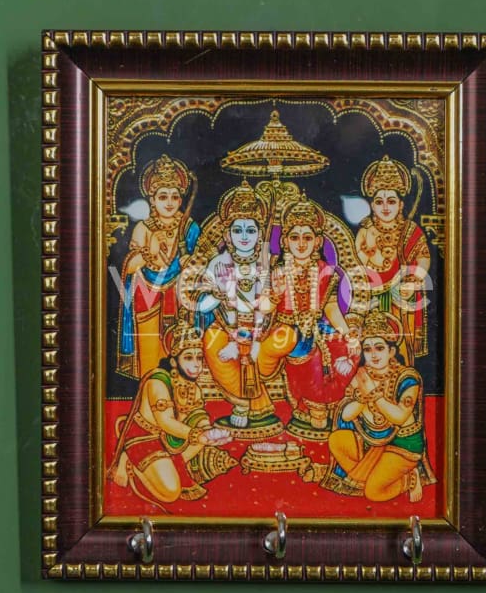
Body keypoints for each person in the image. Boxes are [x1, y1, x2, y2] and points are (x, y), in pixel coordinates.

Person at [258, 195, 359, 438]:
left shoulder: (325, 271)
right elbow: (263, 308)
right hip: (285, 330)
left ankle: (324, 405)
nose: (301, 244)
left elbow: (331, 308)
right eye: (295, 237)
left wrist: (347, 333)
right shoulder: (278, 270)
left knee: (346, 347)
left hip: (315, 328)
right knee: (302, 348)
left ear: (318, 241)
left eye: (307, 237)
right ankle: (312, 405)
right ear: (285, 241)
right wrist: (275, 296)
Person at [189, 181, 280, 435]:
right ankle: (242, 403)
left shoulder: (266, 263)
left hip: (261, 327)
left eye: (251, 230)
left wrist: (255, 339)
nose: (244, 237)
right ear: (227, 235)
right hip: (226, 326)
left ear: (259, 235)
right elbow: (202, 303)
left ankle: (249, 404)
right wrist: (218, 296)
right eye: (237, 230)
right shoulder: (218, 263)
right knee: (211, 342)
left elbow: (268, 307)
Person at [108, 320, 234, 504]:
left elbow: (198, 416)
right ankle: (129, 460)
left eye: (199, 358)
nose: (196, 364)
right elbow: (165, 422)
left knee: (202, 434)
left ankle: (169, 465)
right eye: (188, 358)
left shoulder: (193, 388)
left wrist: (209, 433)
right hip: (145, 438)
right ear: (174, 361)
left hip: (170, 440)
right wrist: (198, 435)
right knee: (171, 493)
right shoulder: (158, 382)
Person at [328, 311, 435, 502]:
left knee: (373, 492)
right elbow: (346, 415)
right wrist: (363, 398)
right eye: (367, 349)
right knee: (336, 440)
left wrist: (374, 394)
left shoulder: (407, 377)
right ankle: (371, 473)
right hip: (370, 441)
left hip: (402, 443)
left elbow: (399, 417)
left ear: (391, 351)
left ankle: (410, 478)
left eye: (379, 348)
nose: (374, 355)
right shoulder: (361, 375)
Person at [117, 154, 199, 380]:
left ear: (181, 200)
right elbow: (129, 267)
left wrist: (190, 264)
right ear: (152, 200)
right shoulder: (143, 228)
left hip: (180, 298)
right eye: (163, 196)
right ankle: (151, 392)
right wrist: (149, 251)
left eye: (175, 196)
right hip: (148, 298)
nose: (169, 202)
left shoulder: (189, 228)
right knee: (151, 357)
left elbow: (202, 262)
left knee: (182, 353)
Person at [354, 156, 431, 364]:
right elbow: (357, 265)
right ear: (372, 205)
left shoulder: (410, 231)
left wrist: (413, 282)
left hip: (401, 297)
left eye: (391, 201)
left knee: (401, 347)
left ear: (401, 204)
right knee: (372, 345)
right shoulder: (365, 231)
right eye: (379, 202)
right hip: (372, 298)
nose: (385, 207)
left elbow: (423, 258)